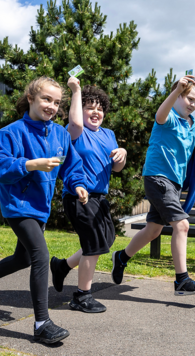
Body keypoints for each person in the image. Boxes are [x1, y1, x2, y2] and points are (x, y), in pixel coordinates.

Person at [0, 77, 88, 344]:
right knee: (40, 255)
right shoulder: (11, 132)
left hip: (40, 208)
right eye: (46, 99)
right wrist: (30, 164)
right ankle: (41, 323)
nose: (52, 106)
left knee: (22, 258)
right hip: (17, 206)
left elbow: (71, 166)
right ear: (31, 98)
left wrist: (78, 184)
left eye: (57, 102)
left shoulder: (59, 134)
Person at [111, 74, 195, 296]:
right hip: (157, 177)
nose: (192, 105)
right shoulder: (169, 118)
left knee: (153, 230)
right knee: (182, 225)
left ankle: (121, 257)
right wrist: (176, 90)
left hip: (174, 183)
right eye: (189, 99)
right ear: (177, 96)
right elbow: (160, 114)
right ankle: (181, 281)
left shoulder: (193, 125)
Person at [50, 78, 127, 313]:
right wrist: (76, 90)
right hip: (78, 195)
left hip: (99, 197)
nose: (96, 112)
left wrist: (122, 154)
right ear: (79, 109)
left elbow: (115, 168)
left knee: (105, 240)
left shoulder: (108, 134)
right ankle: (82, 296)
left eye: (100, 108)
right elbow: (74, 123)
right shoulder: (74, 132)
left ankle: (62, 267)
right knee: (93, 245)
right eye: (89, 107)